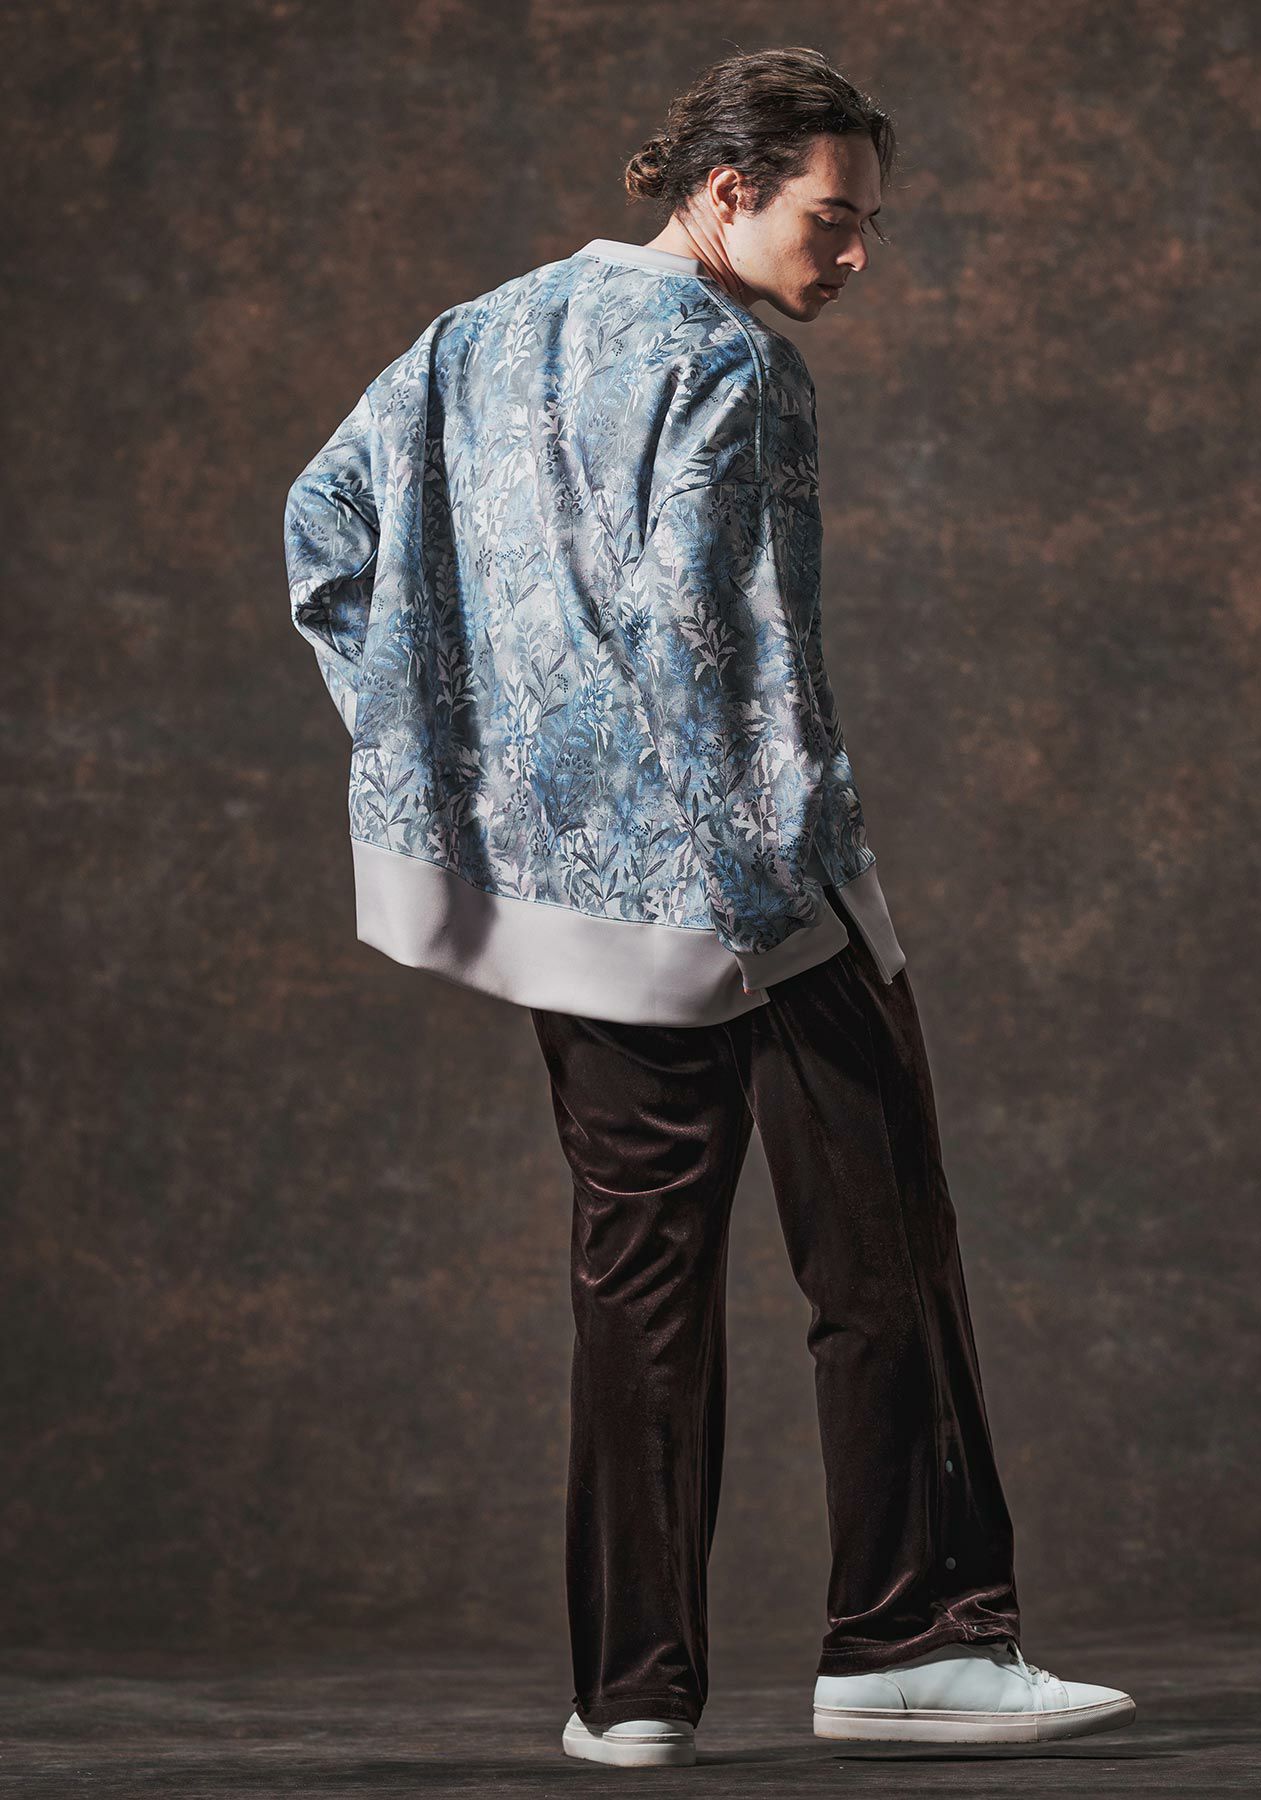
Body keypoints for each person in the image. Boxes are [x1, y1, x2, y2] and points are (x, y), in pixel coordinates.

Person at [285, 44, 1135, 1772]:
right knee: (884, 1258)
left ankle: (630, 1695)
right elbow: (726, 649)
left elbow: (327, 526)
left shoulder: (474, 335)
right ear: (727, 191)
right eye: (834, 218)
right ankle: (911, 1640)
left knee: (639, 1288)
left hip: (565, 904)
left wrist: (459, 763)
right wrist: (791, 886)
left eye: (872, 223)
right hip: (756, 893)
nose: (859, 254)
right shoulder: (734, 365)